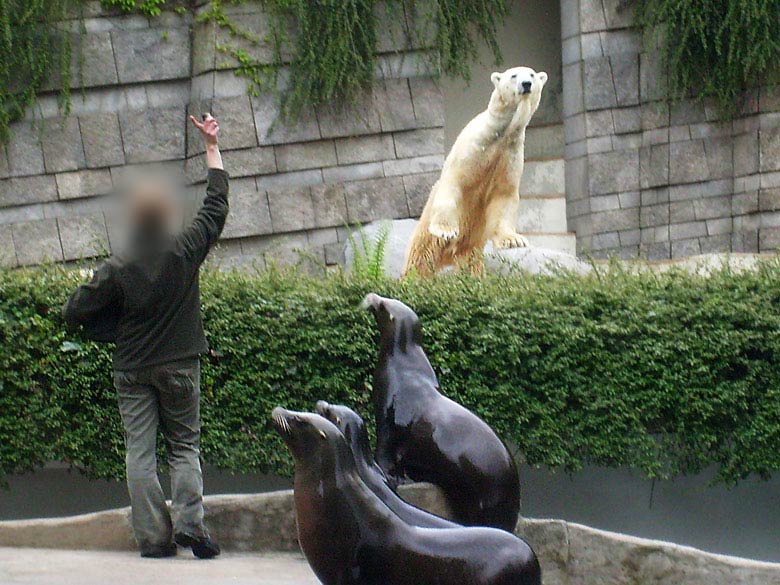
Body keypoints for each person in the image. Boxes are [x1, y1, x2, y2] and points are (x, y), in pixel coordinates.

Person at [63, 114, 228, 559]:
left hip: (132, 367)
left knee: (140, 452)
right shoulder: (185, 249)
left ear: (134, 218)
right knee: (185, 446)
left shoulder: (119, 266)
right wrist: (211, 145)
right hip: (180, 363)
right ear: (168, 215)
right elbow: (216, 206)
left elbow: (74, 310)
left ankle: (154, 540)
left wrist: (112, 330)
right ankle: (191, 528)